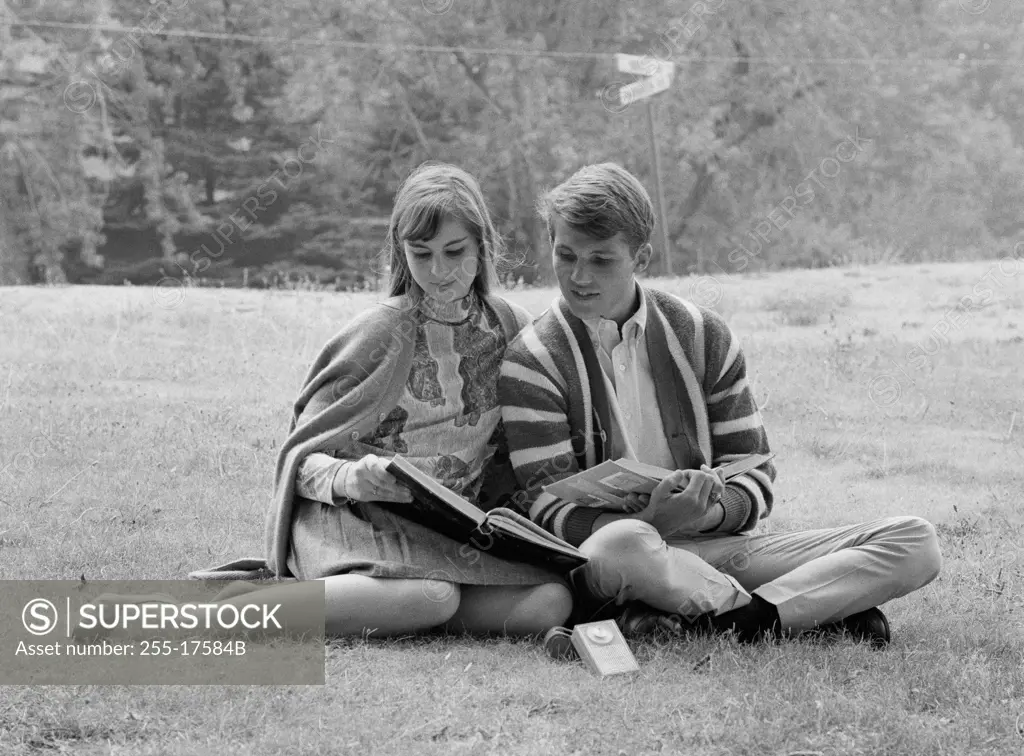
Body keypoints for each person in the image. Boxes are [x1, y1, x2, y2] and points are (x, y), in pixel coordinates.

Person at [94, 162, 572, 642]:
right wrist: (351, 478)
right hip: (351, 519)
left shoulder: (510, 326)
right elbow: (299, 460)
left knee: (549, 602)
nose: (439, 271)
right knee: (435, 596)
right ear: (400, 253)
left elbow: (521, 446)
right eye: (421, 253)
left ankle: (370, 604)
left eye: (455, 252)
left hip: (446, 536)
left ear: (482, 246)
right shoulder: (380, 333)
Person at [498, 162, 942, 648]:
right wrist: (653, 522)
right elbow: (541, 508)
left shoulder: (704, 335)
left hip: (719, 550)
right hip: (617, 555)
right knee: (621, 545)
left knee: (914, 541)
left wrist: (702, 513)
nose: (578, 276)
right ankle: (807, 612)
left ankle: (736, 618)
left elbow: (754, 474)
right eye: (566, 256)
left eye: (601, 260)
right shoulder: (532, 359)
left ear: (641, 257)